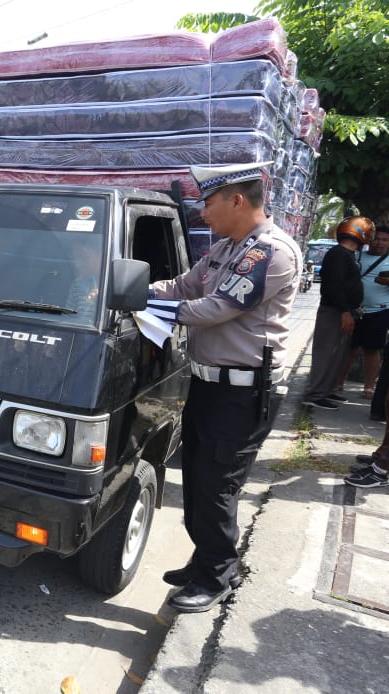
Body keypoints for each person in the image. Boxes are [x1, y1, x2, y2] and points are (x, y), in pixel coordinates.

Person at [145, 161, 302, 613]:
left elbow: (217, 307)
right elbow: (182, 285)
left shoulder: (269, 251)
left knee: (218, 485)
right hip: (210, 385)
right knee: (195, 476)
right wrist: (136, 288)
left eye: (208, 202)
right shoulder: (223, 250)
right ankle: (204, 559)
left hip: (243, 393)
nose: (202, 212)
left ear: (237, 199)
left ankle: (216, 577)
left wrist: (156, 310)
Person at [301, 217, 372, 410]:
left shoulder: (347, 255)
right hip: (335, 311)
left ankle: (325, 390)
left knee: (337, 355)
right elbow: (333, 286)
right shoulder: (338, 254)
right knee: (326, 353)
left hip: (343, 311)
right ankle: (315, 393)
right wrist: (344, 311)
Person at [333, 226, 389, 399]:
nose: (380, 243)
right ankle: (338, 382)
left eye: (385, 240)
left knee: (372, 350)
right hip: (353, 311)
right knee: (348, 348)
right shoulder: (355, 256)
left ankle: (369, 387)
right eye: (377, 238)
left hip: (380, 311)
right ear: (369, 239)